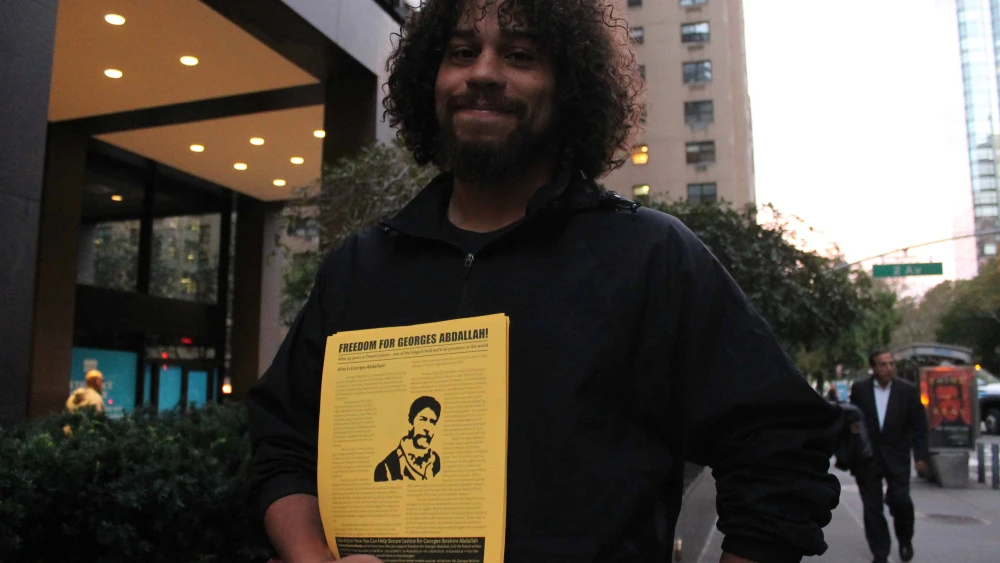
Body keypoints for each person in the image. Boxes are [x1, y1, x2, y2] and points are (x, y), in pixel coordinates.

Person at [247, 1, 842, 562]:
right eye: (460, 52)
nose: (482, 73)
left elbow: (780, 453)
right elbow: (284, 444)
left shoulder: (650, 257)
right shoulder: (360, 267)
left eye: (520, 55)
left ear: (569, 87)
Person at [850, 351, 929, 563]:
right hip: (868, 459)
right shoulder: (860, 390)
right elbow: (853, 422)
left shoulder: (907, 391)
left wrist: (921, 456)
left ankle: (905, 539)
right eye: (883, 365)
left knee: (901, 502)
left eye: (891, 364)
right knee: (872, 508)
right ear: (873, 368)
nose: (888, 368)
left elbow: (920, 426)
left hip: (898, 458)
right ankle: (880, 552)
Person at [374, 396, 442, 482]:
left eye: (432, 422)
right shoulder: (387, 467)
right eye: (423, 419)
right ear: (410, 423)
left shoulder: (436, 461)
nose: (427, 428)